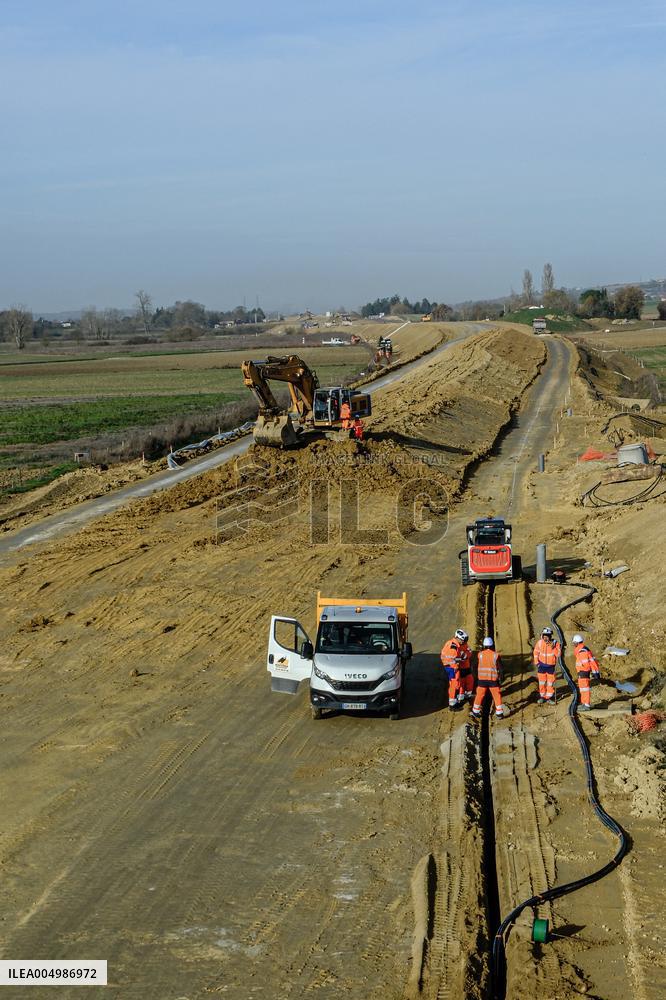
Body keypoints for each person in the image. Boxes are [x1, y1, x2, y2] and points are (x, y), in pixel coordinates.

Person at [472, 637, 505, 719]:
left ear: (484, 645)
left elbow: (473, 666)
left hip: (482, 680)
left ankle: (475, 711)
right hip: (493, 680)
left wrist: (476, 677)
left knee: (479, 695)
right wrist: (501, 678)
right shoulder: (496, 655)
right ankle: (499, 713)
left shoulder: (480, 654)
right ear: (492, 645)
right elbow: (501, 669)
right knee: (496, 696)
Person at [440, 629, 469, 710]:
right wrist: (457, 666)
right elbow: (452, 660)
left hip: (449, 667)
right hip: (452, 668)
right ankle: (452, 705)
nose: (463, 642)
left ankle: (453, 702)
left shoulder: (451, 643)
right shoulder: (453, 648)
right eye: (462, 640)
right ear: (457, 638)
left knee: (453, 684)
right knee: (454, 685)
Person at [571, 634, 600, 712]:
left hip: (583, 672)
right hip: (582, 672)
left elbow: (586, 663)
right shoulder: (583, 649)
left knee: (585, 689)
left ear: (577, 642)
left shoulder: (582, 651)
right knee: (583, 689)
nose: (573, 644)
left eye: (574, 643)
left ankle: (586, 705)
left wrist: (583, 672)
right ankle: (584, 703)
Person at [532, 626, 561, 704]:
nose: (546, 638)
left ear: (550, 636)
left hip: (551, 667)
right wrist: (537, 663)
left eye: (547, 636)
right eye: (544, 636)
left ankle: (548, 697)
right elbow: (535, 653)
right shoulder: (540, 643)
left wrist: (553, 648)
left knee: (550, 683)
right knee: (541, 682)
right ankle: (542, 696)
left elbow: (558, 654)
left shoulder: (555, 643)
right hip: (541, 666)